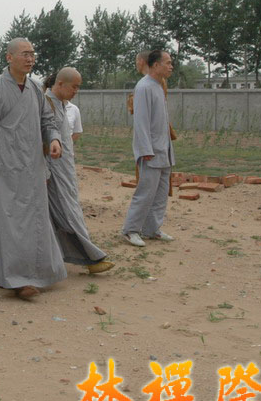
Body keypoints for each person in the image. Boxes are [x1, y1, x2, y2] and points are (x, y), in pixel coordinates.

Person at [0, 38, 66, 301]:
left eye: (32, 54)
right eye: (25, 54)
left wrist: (54, 139)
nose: (30, 58)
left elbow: (47, 120)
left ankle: (37, 272)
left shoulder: (35, 89)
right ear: (9, 57)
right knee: (8, 221)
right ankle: (15, 279)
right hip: (3, 164)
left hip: (32, 164)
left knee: (35, 220)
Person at [43, 68, 112, 274]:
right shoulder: (45, 105)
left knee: (64, 213)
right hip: (53, 171)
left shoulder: (63, 106)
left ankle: (62, 257)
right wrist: (45, 170)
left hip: (65, 170)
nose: (76, 91)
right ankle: (91, 258)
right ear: (60, 84)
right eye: (74, 87)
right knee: (68, 214)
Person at [121, 50, 176, 247]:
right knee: (145, 193)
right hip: (151, 151)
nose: (171, 66)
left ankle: (152, 229)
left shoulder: (159, 86)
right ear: (155, 65)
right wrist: (145, 150)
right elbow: (141, 121)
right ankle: (130, 230)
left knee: (160, 193)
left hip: (164, 149)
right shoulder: (144, 87)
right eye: (167, 63)